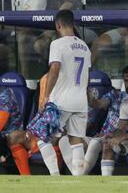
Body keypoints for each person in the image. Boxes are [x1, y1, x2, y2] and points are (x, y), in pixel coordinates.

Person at [38, 9, 91, 176]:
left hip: (61, 100)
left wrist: (46, 96)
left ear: (57, 25)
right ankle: (78, 180)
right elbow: (87, 76)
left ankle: (54, 176)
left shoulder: (57, 44)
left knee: (41, 137)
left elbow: (54, 68)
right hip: (80, 101)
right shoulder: (84, 47)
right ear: (73, 24)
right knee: (76, 141)